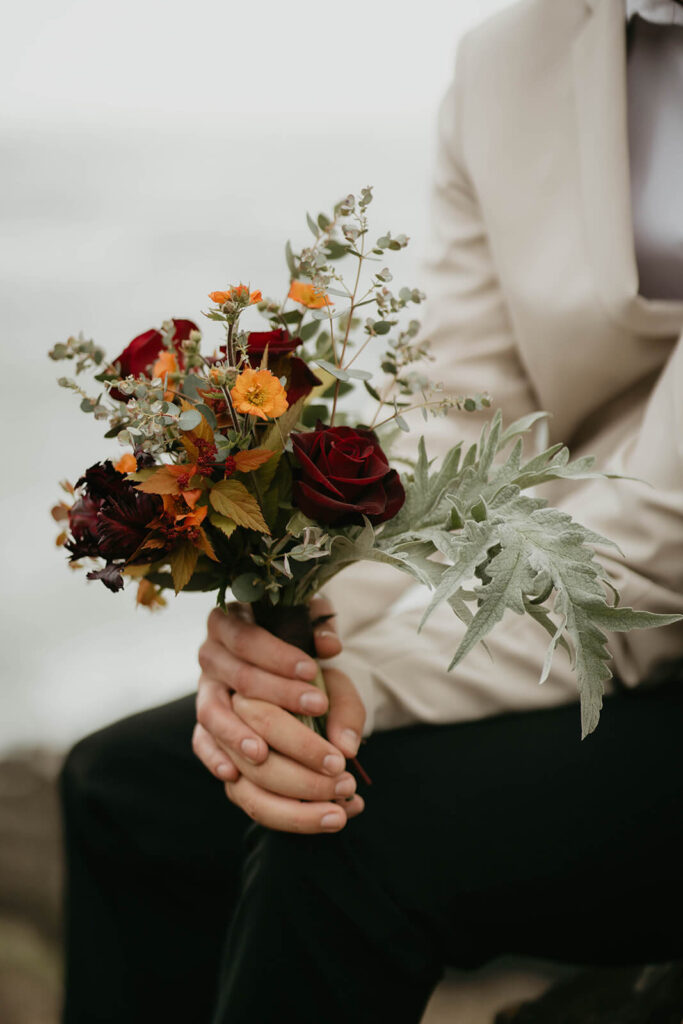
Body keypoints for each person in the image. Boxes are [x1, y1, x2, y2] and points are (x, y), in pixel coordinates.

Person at [59, 0, 683, 1021]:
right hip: (584, 605)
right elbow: (451, 428)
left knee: (343, 833)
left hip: (651, 616)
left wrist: (359, 691)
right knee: (126, 792)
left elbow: (657, 554)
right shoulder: (506, 63)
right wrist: (291, 661)